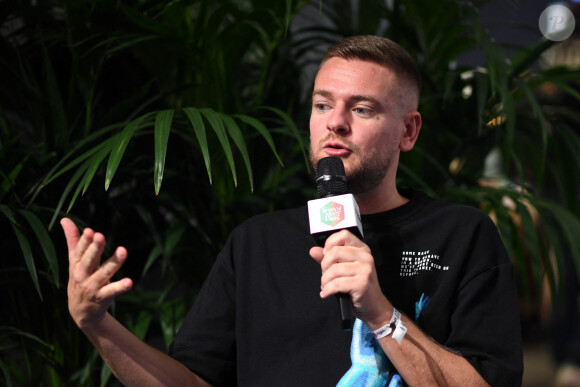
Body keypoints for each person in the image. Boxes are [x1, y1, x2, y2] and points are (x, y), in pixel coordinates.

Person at [62, 35, 523, 386]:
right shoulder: (256, 243)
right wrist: (98, 325)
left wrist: (382, 314)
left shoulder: (462, 235)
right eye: (323, 104)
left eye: (361, 109)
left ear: (408, 130)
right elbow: (189, 380)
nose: (334, 122)